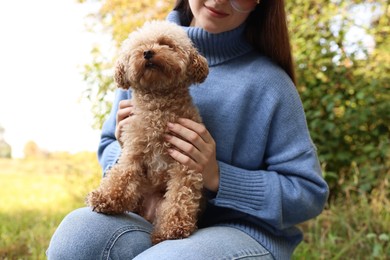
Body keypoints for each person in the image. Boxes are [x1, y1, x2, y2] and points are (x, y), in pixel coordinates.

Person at [47, 0, 329, 259]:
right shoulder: (141, 58)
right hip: (148, 217)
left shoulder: (271, 85)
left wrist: (218, 177)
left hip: (244, 232)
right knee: (77, 237)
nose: (219, 0)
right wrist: (128, 151)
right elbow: (110, 142)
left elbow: (308, 194)